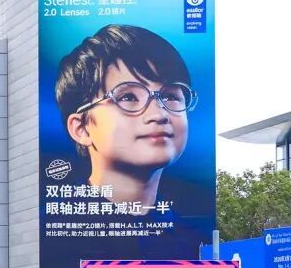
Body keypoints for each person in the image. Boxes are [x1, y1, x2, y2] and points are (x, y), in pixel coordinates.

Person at [55, 24, 193, 208]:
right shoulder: (55, 223)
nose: (159, 114)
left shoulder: (189, 226)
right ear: (81, 128)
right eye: (128, 97)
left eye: (170, 96)